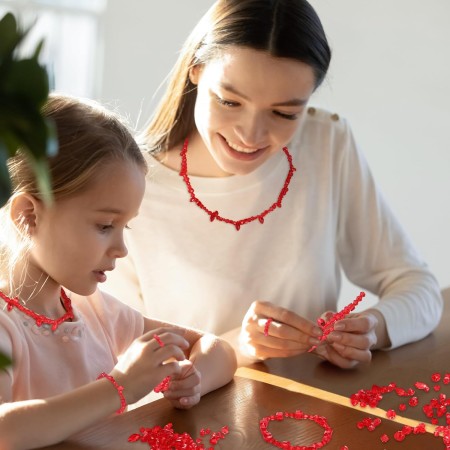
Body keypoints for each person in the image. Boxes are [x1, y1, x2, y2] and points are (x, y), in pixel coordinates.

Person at [104, 0, 443, 369]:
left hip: (315, 412)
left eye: (284, 113)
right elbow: (120, 369)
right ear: (196, 69)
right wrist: (238, 346)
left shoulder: (325, 142)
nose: (251, 134)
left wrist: (373, 328)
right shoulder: (130, 183)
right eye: (230, 101)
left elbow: (419, 288)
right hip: (193, 422)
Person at [0, 94, 237, 450]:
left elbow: (215, 347)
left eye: (124, 227)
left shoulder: (95, 311)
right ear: (28, 216)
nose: (121, 249)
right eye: (105, 225)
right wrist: (120, 387)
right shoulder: (7, 328)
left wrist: (195, 380)